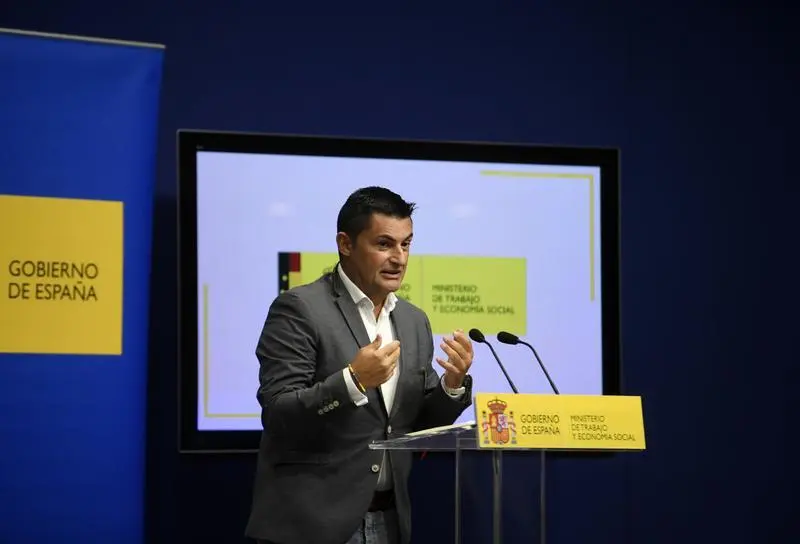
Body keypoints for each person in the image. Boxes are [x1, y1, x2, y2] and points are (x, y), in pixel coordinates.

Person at [245, 186, 475, 544]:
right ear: (346, 244)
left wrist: (452, 385)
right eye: (384, 244)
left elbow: (417, 424)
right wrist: (352, 381)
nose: (399, 258)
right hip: (311, 525)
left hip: (389, 521)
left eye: (406, 244)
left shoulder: (414, 321)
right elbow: (278, 413)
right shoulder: (300, 309)